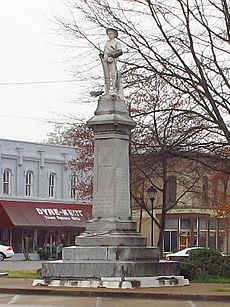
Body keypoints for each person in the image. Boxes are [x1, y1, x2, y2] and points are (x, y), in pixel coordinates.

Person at [100, 28, 124, 98]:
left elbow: (120, 51)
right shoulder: (107, 42)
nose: (109, 35)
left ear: (114, 34)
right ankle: (106, 91)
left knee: (113, 74)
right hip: (105, 59)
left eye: (111, 33)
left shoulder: (116, 42)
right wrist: (102, 55)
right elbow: (105, 51)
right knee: (106, 76)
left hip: (112, 59)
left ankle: (114, 90)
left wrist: (112, 55)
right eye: (108, 33)